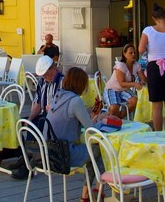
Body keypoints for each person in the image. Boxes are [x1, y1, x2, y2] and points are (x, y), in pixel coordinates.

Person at [45, 67, 105, 202]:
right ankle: (95, 192)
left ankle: (89, 195)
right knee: (99, 150)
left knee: (92, 155)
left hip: (48, 152)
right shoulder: (75, 101)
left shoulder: (58, 96)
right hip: (64, 155)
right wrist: (101, 121)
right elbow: (90, 129)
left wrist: (92, 119)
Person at [138, 4, 165, 131]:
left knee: (156, 105)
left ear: (153, 17)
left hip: (154, 66)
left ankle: (157, 134)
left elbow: (141, 49)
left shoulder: (148, 30)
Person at [104, 44, 142, 117]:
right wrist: (135, 84)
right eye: (130, 53)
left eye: (134, 52)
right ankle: (113, 118)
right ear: (124, 54)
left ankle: (119, 117)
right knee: (114, 108)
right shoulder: (121, 65)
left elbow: (143, 78)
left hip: (123, 90)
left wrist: (144, 81)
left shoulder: (136, 65)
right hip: (112, 89)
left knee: (134, 101)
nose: (133, 54)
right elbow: (121, 83)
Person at [28, 55, 63, 121]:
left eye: (47, 74)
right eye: (42, 75)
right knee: (25, 125)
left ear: (54, 68)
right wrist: (30, 119)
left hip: (58, 120)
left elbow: (67, 107)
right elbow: (38, 104)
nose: (44, 77)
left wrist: (53, 108)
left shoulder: (63, 81)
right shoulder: (42, 80)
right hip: (45, 116)